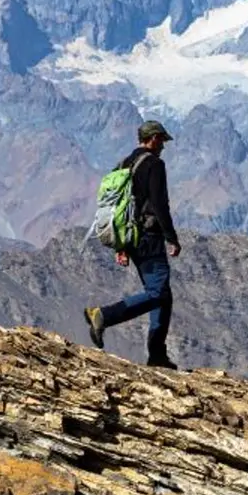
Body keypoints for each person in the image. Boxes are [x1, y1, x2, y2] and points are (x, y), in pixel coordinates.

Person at [84, 120, 182, 369]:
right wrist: (171, 237)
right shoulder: (154, 165)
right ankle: (103, 315)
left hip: (131, 237)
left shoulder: (126, 163)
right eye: (162, 140)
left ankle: (157, 355)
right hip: (149, 238)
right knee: (158, 293)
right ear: (154, 138)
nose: (163, 146)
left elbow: (121, 206)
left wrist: (122, 246)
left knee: (163, 295)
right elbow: (159, 204)